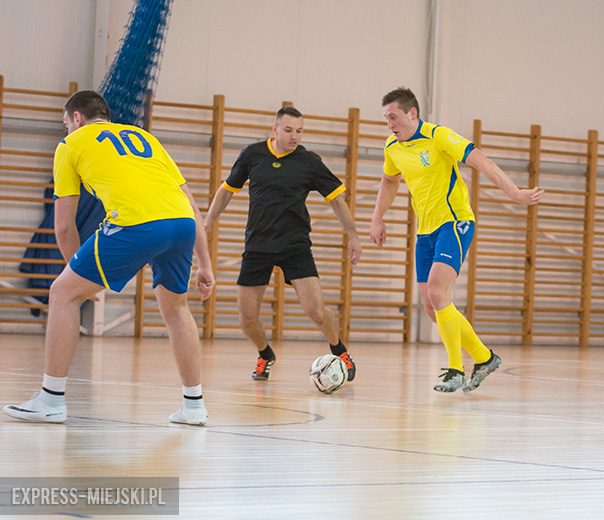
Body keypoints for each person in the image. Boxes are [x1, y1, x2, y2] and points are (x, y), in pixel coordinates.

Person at [3, 90, 215, 425]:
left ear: (77, 118)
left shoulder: (70, 145)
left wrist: (79, 278)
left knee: (62, 293)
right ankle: (194, 406)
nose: (66, 131)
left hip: (136, 224)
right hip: (181, 225)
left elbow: (63, 226)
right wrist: (205, 264)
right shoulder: (144, 137)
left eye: (65, 124)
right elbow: (190, 204)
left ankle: (51, 400)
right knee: (177, 308)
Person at [369, 87, 544, 393]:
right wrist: (377, 217)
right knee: (430, 305)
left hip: (455, 222)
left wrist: (514, 193)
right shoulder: (392, 148)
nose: (389, 124)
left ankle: (455, 370)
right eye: (386, 118)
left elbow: (483, 162)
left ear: (412, 114)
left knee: (438, 292)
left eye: (393, 117)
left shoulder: (439, 136)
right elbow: (389, 180)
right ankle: (484, 357)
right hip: (425, 230)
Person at [203, 107, 362, 382]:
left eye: (299, 131)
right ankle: (265, 354)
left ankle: (340, 350)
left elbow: (337, 198)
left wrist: (354, 235)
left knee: (315, 310)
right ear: (274, 129)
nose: (294, 137)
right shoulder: (253, 155)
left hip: (295, 245)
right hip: (257, 245)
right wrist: (207, 222)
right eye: (288, 130)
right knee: (247, 318)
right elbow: (226, 190)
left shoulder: (309, 162)